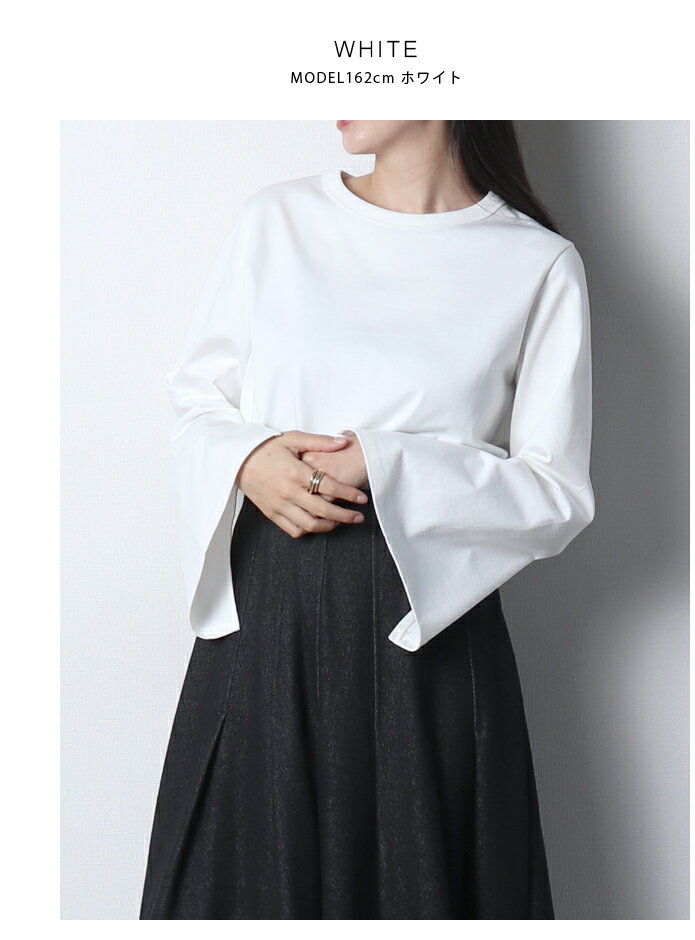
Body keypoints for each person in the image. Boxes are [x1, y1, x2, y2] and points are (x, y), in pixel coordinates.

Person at [139, 120, 595, 920]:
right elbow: (198, 401)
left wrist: (388, 463)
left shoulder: (536, 263)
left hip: (424, 639)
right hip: (268, 620)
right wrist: (250, 457)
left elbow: (557, 493)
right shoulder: (277, 220)